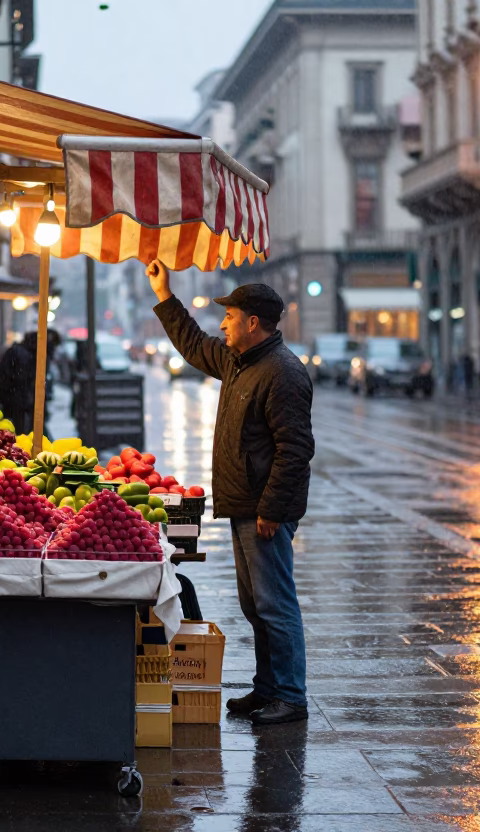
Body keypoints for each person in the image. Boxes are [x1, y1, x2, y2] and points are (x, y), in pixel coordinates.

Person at [148, 260, 315, 726]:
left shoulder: (282, 373)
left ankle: (290, 696)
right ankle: (267, 689)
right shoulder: (240, 362)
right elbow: (194, 345)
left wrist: (273, 510)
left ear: (253, 323)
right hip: (245, 505)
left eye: (230, 316)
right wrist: (164, 295)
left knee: (275, 604)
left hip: (264, 510)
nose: (222, 324)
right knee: (254, 605)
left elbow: (295, 450)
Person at [0, 331, 60, 434]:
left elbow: (2, 377)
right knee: (24, 432)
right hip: (22, 400)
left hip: (15, 398)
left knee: (19, 430)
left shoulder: (19, 351)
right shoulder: (32, 355)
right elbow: (27, 378)